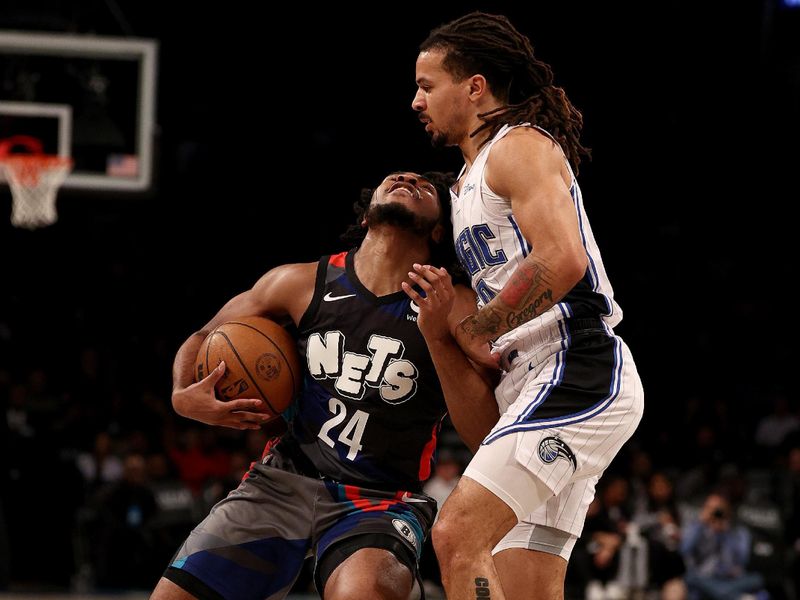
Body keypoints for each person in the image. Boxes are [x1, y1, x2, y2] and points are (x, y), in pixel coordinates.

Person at [150, 171, 499, 600]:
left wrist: (438, 336)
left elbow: (486, 433)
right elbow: (206, 335)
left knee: (364, 594)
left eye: (426, 187)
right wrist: (183, 397)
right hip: (284, 480)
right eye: (398, 176)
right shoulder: (300, 283)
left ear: (439, 228)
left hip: (380, 499)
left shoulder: (455, 303)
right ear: (367, 215)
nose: (410, 177)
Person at [409, 12, 645, 600]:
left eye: (426, 85)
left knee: (458, 533)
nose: (416, 100)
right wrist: (451, 337)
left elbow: (563, 259)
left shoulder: (517, 148)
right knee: (520, 586)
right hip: (529, 377)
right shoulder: (463, 186)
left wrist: (475, 332)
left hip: (577, 364)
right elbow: (484, 426)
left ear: (475, 86)